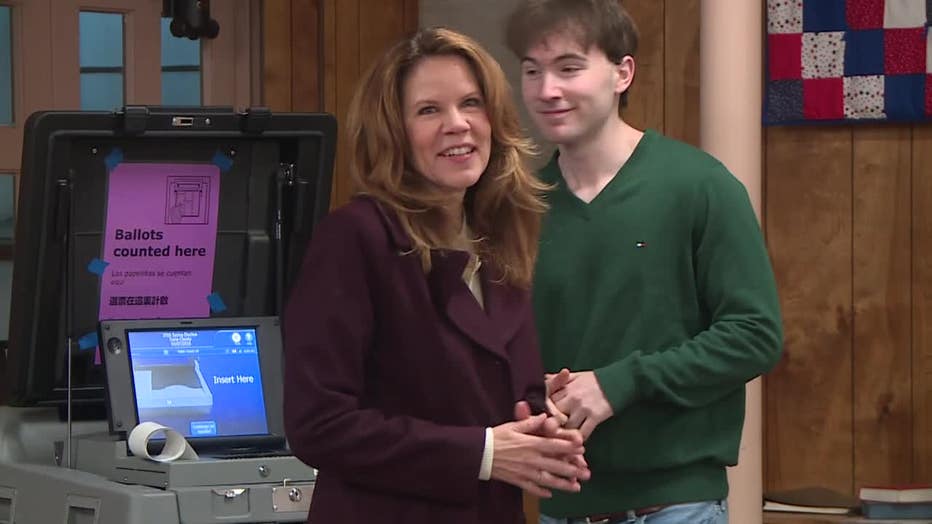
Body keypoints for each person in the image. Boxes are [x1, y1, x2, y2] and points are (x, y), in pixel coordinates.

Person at [282, 27, 591, 524]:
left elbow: (483, 402)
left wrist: (539, 418)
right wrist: (485, 453)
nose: (458, 124)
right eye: (429, 110)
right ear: (393, 132)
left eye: (471, 103)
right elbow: (318, 424)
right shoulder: (355, 237)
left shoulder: (499, 237)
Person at [504, 1, 784, 523]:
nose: (547, 90)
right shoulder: (520, 208)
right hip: (562, 508)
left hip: (676, 505)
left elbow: (755, 334)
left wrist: (619, 383)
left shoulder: (699, 185)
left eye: (569, 68)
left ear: (622, 73)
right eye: (532, 71)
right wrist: (529, 394)